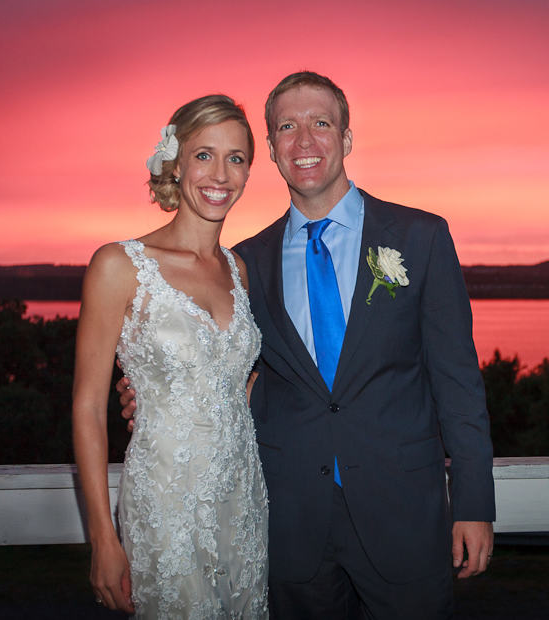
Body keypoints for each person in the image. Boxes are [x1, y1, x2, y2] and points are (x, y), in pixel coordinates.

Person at [121, 72, 495, 619]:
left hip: (404, 517)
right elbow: (225, 368)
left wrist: (473, 503)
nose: (304, 141)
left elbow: (458, 381)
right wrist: (151, 394)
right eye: (286, 128)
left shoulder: (421, 237)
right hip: (291, 521)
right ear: (270, 150)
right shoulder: (245, 264)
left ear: (346, 138)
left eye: (321, 123)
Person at [73, 94, 268, 618]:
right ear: (175, 163)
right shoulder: (120, 265)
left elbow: (234, 386)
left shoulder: (239, 271)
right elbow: (88, 408)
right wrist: (103, 538)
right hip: (165, 501)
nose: (220, 174)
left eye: (236, 158)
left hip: (243, 496)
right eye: (204, 155)